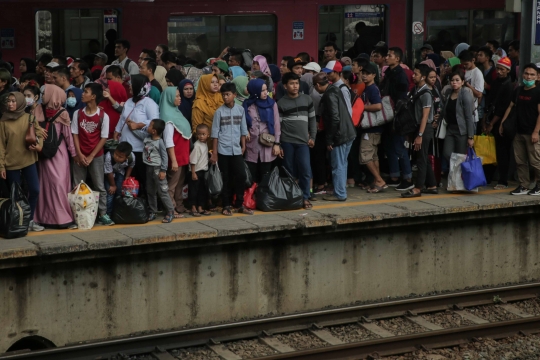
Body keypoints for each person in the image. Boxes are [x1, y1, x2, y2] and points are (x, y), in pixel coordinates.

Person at [32, 84, 77, 229]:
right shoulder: (38, 109)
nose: (43, 95)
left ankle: (62, 217)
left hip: (58, 154)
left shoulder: (62, 113)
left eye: (45, 93)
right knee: (45, 185)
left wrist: (74, 153)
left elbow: (68, 136)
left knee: (58, 184)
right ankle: (44, 217)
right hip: (44, 152)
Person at [0, 92, 45, 231]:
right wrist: (1, 166)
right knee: (15, 195)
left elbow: (39, 135)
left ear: (20, 102)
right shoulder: (3, 121)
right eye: (9, 101)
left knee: (35, 190)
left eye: (14, 101)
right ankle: (18, 222)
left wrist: (39, 147)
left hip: (28, 159)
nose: (10, 104)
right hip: (11, 163)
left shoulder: (30, 118)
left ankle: (29, 220)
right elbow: (1, 145)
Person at [71, 83, 113, 225]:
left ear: (93, 96)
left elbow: (104, 138)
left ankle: (103, 213)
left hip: (97, 155)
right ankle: (78, 213)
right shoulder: (78, 114)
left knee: (99, 185)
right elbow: (75, 134)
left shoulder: (103, 116)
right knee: (78, 185)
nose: (82, 94)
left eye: (86, 92)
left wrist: (91, 156)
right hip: (80, 154)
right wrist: (79, 153)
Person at [209, 82, 252, 216]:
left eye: (228, 94)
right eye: (223, 95)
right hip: (223, 149)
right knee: (225, 177)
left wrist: (243, 145)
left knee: (241, 175)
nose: (225, 97)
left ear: (234, 95)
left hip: (237, 149)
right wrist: (215, 153)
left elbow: (243, 129)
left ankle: (239, 204)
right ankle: (226, 205)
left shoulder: (240, 110)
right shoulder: (219, 112)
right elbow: (215, 134)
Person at [313, 72, 356, 201]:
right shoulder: (335, 89)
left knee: (338, 165)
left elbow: (334, 118)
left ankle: (340, 194)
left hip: (340, 135)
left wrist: (329, 139)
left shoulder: (329, 95)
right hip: (348, 132)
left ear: (317, 85)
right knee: (342, 163)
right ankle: (340, 191)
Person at [114, 74, 159, 198]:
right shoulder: (129, 101)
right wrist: (116, 132)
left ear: (139, 87)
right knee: (124, 181)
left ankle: (143, 205)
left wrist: (138, 125)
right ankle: (127, 206)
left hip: (139, 150)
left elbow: (155, 123)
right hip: (125, 148)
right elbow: (122, 119)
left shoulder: (149, 104)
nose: (129, 87)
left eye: (132, 85)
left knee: (140, 180)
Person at [277, 72, 316, 208]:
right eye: (292, 83)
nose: (295, 86)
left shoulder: (307, 99)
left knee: (305, 170)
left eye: (297, 83)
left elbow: (312, 120)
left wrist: (313, 137)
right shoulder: (281, 103)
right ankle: (292, 197)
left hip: (303, 142)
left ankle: (305, 197)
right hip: (287, 142)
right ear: (285, 86)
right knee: (289, 171)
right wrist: (279, 144)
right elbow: (278, 126)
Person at [500, 63, 540, 196]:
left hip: (532, 133)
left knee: (536, 162)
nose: (528, 77)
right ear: (522, 75)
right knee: (520, 161)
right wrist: (503, 123)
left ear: (537, 77)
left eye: (532, 74)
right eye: (527, 74)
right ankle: (524, 185)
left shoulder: (538, 92)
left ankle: (539, 185)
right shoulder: (518, 90)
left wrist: (536, 132)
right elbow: (510, 106)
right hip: (518, 131)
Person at [402, 64, 438, 198]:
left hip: (424, 128)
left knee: (421, 159)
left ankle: (418, 188)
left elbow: (425, 116)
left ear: (423, 77)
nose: (413, 76)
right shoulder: (416, 90)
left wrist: (420, 135)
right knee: (424, 157)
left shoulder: (426, 93)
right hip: (418, 127)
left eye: (416, 74)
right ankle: (432, 185)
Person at [380, 47, 413, 190]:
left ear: (397, 59)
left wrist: (396, 113)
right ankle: (394, 176)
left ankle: (408, 178)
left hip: (397, 115)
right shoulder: (388, 73)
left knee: (400, 147)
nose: (387, 57)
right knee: (389, 147)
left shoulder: (400, 75)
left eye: (390, 55)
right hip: (387, 114)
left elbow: (401, 97)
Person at [131, 119, 176, 222]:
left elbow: (165, 157)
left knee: (163, 191)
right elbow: (138, 133)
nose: (148, 127)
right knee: (150, 191)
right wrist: (132, 126)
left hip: (158, 169)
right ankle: (152, 211)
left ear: (154, 131)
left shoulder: (160, 142)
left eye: (150, 126)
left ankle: (170, 211)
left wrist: (163, 171)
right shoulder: (147, 138)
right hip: (149, 168)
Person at [160, 86, 191, 218]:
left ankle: (179, 206)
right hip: (176, 157)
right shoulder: (167, 117)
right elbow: (169, 141)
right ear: (169, 98)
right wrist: (173, 160)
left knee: (179, 183)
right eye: (177, 96)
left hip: (182, 156)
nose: (179, 98)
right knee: (172, 185)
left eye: (179, 96)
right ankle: (171, 209)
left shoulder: (176, 112)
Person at [484, 57, 514, 189]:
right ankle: (488, 178)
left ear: (508, 71)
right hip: (491, 117)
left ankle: (503, 180)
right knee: (488, 149)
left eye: (502, 69)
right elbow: (489, 101)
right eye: (498, 69)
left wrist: (492, 123)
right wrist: (485, 120)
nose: (500, 72)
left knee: (502, 152)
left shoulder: (508, 85)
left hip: (501, 121)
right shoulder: (496, 82)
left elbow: (502, 108)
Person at [243, 78, 281, 183]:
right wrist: (245, 131)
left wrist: (277, 143)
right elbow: (243, 122)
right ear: (254, 91)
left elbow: (277, 124)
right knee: (251, 176)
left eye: (266, 90)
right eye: (262, 90)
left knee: (266, 175)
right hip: (251, 145)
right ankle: (251, 198)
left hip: (267, 144)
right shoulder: (247, 104)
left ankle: (264, 197)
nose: (266, 93)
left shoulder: (272, 104)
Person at [441, 69, 475, 163]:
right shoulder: (448, 93)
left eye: (457, 80)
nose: (454, 82)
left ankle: (459, 176)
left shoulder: (465, 94)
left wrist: (470, 137)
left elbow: (469, 117)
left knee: (461, 157)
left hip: (462, 130)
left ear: (462, 82)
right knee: (447, 153)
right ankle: (454, 173)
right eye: (452, 80)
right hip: (450, 129)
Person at [191, 74, 223, 149]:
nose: (215, 84)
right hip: (207, 143)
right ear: (205, 84)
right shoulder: (199, 103)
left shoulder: (221, 97)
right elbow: (197, 127)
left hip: (223, 141)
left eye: (216, 82)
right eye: (211, 82)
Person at [104, 141, 135, 215]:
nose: (117, 157)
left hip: (120, 172)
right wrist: (113, 185)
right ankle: (108, 214)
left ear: (126, 157)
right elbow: (109, 172)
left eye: (120, 157)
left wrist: (127, 177)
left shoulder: (132, 157)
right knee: (110, 193)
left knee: (120, 192)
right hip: (108, 174)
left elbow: (131, 166)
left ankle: (118, 213)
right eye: (116, 154)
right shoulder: (109, 156)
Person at [458, 50, 484, 128]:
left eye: (466, 64)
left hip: (471, 112)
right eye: (463, 64)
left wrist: (467, 85)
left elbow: (479, 94)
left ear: (473, 60)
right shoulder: (464, 71)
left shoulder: (477, 73)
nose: (464, 66)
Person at [189, 124, 210, 216]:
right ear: (196, 135)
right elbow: (192, 161)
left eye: (203, 134)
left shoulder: (205, 145)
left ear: (208, 135)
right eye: (199, 134)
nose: (201, 136)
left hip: (203, 171)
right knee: (194, 190)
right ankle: (193, 207)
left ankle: (200, 207)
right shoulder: (196, 146)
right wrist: (193, 173)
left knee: (202, 190)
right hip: (196, 171)